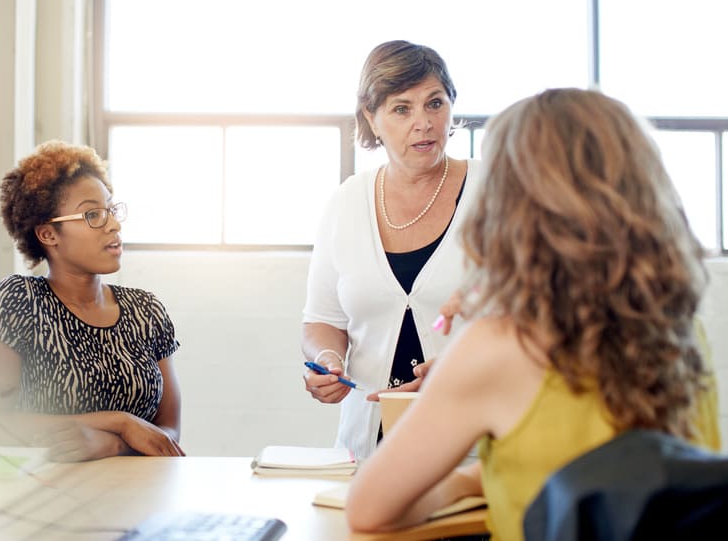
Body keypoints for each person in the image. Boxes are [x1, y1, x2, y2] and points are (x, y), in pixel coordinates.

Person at [345, 88, 721, 539]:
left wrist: (462, 481)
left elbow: (368, 508)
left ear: (510, 207)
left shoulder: (498, 347)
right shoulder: (682, 332)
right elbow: (628, 475)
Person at [301, 40, 483, 460]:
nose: (424, 123)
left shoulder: (497, 191)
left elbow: (537, 321)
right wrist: (327, 359)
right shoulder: (346, 203)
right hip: (368, 450)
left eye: (435, 103)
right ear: (372, 117)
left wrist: (467, 368)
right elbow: (322, 321)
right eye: (402, 109)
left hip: (475, 446)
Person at [0, 140, 184, 461]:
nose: (114, 224)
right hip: (53, 488)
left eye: (111, 210)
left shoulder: (145, 311)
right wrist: (120, 422)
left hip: (145, 486)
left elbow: (168, 434)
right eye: (93, 214)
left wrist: (112, 444)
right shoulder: (19, 301)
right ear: (48, 234)